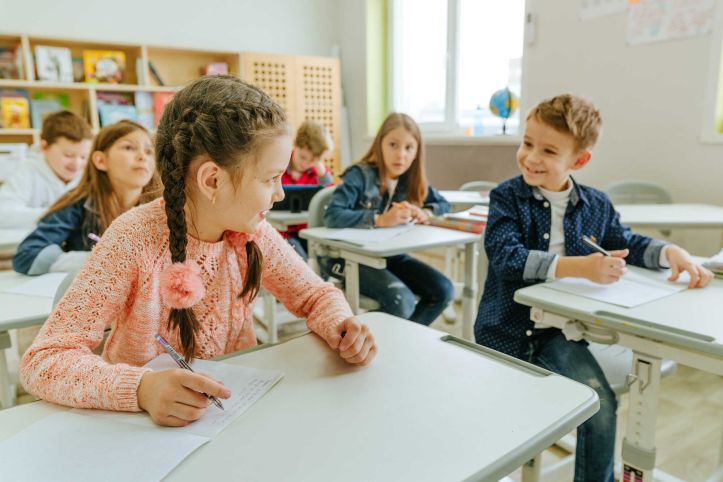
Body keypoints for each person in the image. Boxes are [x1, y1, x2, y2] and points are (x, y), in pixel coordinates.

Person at [21, 76, 376, 427]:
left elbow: (315, 295)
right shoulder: (132, 238)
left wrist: (341, 324)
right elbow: (45, 360)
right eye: (270, 178)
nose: (280, 193)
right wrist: (142, 389)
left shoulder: (252, 233)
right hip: (140, 431)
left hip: (227, 415)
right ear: (212, 180)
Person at [475, 93, 713, 481]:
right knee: (595, 402)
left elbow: (626, 242)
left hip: (565, 332)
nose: (531, 157)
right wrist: (580, 268)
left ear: (579, 161)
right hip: (513, 332)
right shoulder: (506, 197)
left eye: (548, 150)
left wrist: (671, 252)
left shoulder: (595, 205)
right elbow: (506, 258)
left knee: (599, 406)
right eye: (528, 143)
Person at [323, 112, 454, 326]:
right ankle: (383, 349)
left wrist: (426, 212)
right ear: (380, 145)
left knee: (444, 291)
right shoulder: (360, 175)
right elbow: (332, 215)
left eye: (408, 148)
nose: (400, 155)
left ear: (416, 153)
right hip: (346, 258)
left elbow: (443, 203)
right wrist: (380, 219)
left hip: (389, 256)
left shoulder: (409, 180)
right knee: (402, 300)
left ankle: (401, 344)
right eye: (393, 145)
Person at [13, 120, 160, 275]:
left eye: (150, 151)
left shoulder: (163, 207)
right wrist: (104, 259)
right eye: (129, 147)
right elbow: (27, 255)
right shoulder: (78, 203)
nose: (143, 156)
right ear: (101, 161)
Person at [0, 111, 92, 228]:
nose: (77, 163)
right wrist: (59, 214)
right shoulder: (26, 171)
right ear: (44, 147)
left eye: (84, 157)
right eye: (68, 155)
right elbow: (4, 213)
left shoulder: (88, 175)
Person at [280, 120, 334, 259]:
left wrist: (322, 174)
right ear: (295, 146)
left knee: (325, 257)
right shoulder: (279, 165)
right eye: (303, 157)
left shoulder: (320, 174)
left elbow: (331, 200)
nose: (305, 164)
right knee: (300, 260)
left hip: (310, 231)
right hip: (283, 232)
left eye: (312, 161)